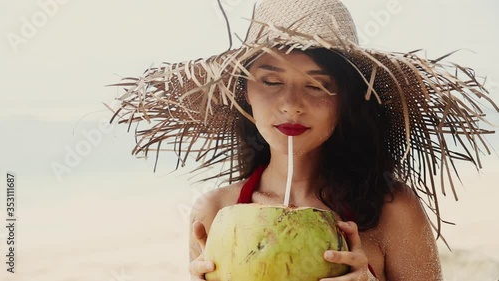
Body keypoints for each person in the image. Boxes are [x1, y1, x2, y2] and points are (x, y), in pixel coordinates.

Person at [109, 0, 498, 280]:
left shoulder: (392, 210)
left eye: (317, 86)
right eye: (272, 81)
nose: (291, 105)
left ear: (344, 101)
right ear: (243, 91)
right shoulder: (214, 213)